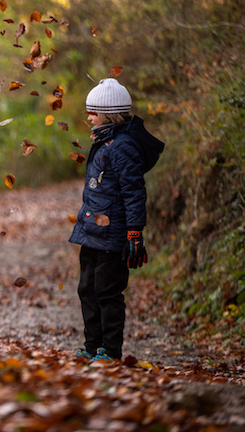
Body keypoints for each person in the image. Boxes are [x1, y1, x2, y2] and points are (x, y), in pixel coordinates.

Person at [69, 78, 164, 362]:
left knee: (107, 292)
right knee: (87, 289)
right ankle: (92, 346)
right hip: (92, 232)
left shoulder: (123, 147)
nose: (88, 117)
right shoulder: (104, 141)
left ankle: (110, 351)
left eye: (93, 113)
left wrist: (135, 232)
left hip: (113, 236)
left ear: (109, 115)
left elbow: (134, 192)